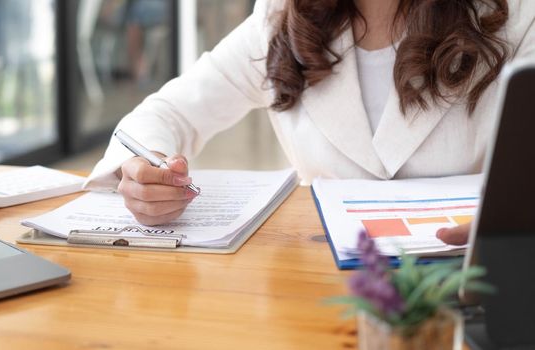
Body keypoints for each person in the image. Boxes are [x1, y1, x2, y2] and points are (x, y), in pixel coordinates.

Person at [84, 0, 535, 245]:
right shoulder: (280, 19)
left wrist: (516, 215)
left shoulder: (514, 16)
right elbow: (167, 112)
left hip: (469, 277)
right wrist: (146, 171)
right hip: (321, 286)